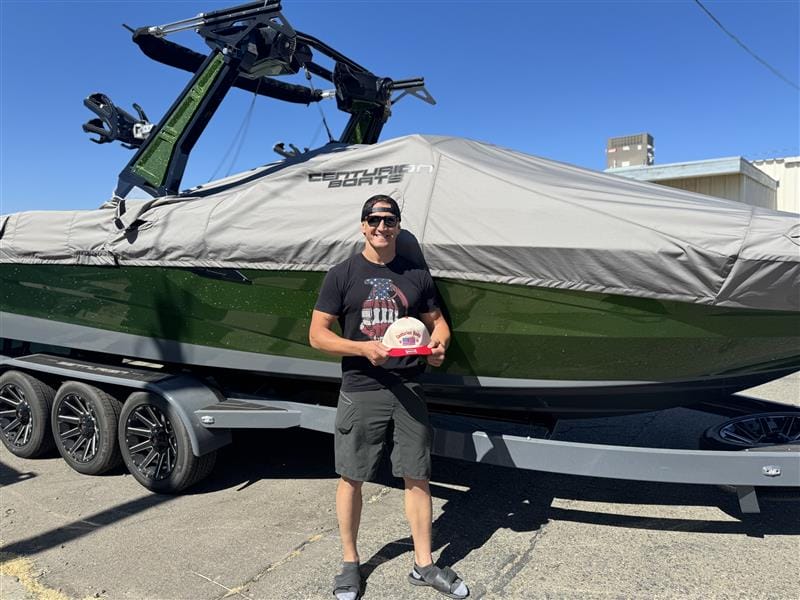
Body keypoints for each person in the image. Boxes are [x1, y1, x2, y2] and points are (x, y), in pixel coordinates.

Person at [309, 194, 469, 600]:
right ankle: (349, 563)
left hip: (409, 389)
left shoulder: (415, 275)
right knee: (352, 476)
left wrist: (438, 348)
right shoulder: (342, 274)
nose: (382, 227)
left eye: (389, 220)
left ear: (399, 226)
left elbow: (440, 326)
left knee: (417, 475)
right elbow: (317, 335)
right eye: (374, 220)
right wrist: (363, 349)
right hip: (362, 388)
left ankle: (424, 564)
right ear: (362, 225)